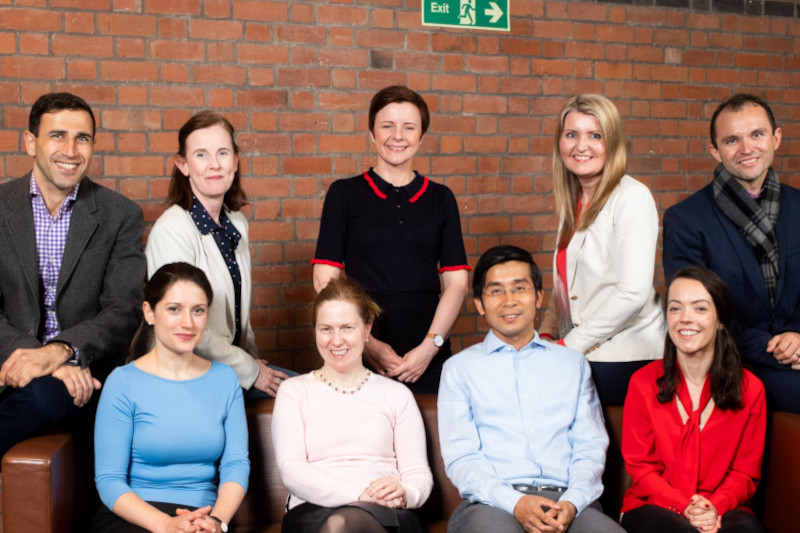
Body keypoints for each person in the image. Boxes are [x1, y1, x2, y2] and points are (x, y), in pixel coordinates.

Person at [439, 245, 624, 533]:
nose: (509, 300)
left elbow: (590, 447)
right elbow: (462, 458)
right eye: (496, 291)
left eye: (519, 288)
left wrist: (573, 502)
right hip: (493, 504)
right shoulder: (459, 370)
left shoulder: (572, 364)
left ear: (538, 297)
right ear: (479, 303)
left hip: (568, 502)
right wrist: (515, 503)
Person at [0, 92, 145, 460]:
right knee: (45, 391)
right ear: (30, 142)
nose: (71, 150)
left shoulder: (120, 215)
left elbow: (123, 311)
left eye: (82, 138)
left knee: (48, 395)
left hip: (84, 376)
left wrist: (62, 352)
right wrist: (42, 358)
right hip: (9, 366)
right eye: (57, 135)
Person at [312, 85, 469, 393]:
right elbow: (324, 280)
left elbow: (457, 285)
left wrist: (430, 347)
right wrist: (366, 343)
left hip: (427, 349)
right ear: (372, 133)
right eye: (387, 126)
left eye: (408, 127)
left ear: (421, 137)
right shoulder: (344, 194)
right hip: (358, 349)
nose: (398, 136)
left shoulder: (441, 199)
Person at [663, 93, 800, 414]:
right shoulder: (686, 219)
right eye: (731, 140)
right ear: (715, 150)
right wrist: (776, 349)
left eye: (757, 134)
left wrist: (797, 334)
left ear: (776, 137)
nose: (747, 149)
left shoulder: (799, 206)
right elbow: (695, 311)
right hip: (731, 359)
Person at [92, 262, 249, 533]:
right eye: (174, 309)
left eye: (198, 310)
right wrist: (165, 525)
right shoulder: (123, 382)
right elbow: (109, 479)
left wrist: (217, 522)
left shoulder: (225, 380)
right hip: (137, 517)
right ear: (149, 313)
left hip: (205, 517)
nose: (187, 323)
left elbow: (236, 464)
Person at [145, 110, 291, 400]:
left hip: (228, 367)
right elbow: (182, 326)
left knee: (304, 393)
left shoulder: (235, 222)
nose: (214, 164)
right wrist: (249, 370)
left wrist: (251, 363)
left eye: (222, 153)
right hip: (187, 371)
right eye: (201, 155)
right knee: (300, 395)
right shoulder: (172, 230)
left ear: (235, 161)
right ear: (183, 165)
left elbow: (238, 313)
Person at [272, 277, 433, 533]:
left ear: (367, 328)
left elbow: (418, 474)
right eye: (326, 329)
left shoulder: (396, 395)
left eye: (347, 327)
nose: (337, 341)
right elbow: (292, 470)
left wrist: (405, 492)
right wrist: (360, 494)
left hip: (386, 512)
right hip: (312, 512)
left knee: (342, 526)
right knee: (339, 525)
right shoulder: (294, 391)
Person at [539, 94, 665, 407]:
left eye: (595, 135)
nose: (582, 146)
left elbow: (632, 293)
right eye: (572, 135)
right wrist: (545, 335)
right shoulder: (575, 201)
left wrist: (568, 346)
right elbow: (566, 287)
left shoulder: (631, 197)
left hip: (625, 357)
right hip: (583, 349)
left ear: (612, 143)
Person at [621, 266, 767, 533]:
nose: (685, 318)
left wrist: (713, 508)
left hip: (724, 507)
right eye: (675, 308)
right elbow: (641, 469)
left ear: (720, 319)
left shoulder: (751, 389)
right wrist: (684, 506)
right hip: (653, 505)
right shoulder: (642, 383)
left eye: (700, 309)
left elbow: (744, 475)